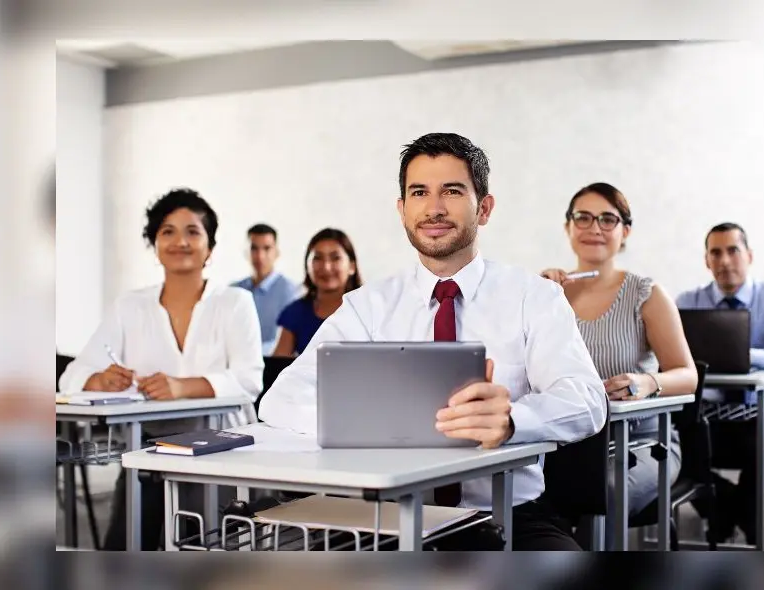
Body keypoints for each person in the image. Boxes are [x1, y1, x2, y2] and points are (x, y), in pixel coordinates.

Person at [258, 132, 607, 551]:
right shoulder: (366, 306)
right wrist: (361, 423)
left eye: (453, 191)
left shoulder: (535, 297)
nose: (434, 208)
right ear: (403, 209)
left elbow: (587, 398)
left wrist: (513, 420)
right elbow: (280, 399)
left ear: (485, 208)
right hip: (385, 516)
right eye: (419, 192)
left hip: (508, 516)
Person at [58, 188, 264, 550]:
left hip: (225, 452)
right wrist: (99, 380)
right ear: (155, 245)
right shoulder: (130, 306)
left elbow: (250, 380)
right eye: (167, 231)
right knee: (123, 548)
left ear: (210, 248)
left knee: (206, 549)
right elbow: (71, 375)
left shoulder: (235, 302)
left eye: (192, 231)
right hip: (150, 450)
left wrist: (182, 386)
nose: (179, 241)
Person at [540, 182, 697, 540]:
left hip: (639, 443)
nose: (594, 228)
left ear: (624, 232)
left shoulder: (646, 293)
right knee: (515, 492)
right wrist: (535, 298)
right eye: (583, 217)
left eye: (608, 219)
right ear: (568, 227)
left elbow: (688, 375)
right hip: (567, 443)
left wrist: (648, 382)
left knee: (598, 490)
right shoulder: (548, 295)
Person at [675, 222, 764, 543]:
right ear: (706, 261)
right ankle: (741, 514)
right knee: (677, 457)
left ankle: (724, 519)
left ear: (749, 255)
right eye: (715, 252)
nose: (724, 260)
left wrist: (749, 355)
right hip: (709, 416)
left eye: (733, 250)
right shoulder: (687, 303)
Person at [272, 228, 362, 357]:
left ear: (352, 266)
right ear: (307, 266)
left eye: (335, 258)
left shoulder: (366, 310)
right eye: (317, 258)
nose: (326, 267)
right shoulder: (295, 312)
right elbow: (275, 368)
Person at [232, 224, 300, 355]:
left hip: (274, 366)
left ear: (277, 252)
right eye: (254, 248)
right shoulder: (234, 290)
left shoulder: (291, 292)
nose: (260, 256)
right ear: (246, 252)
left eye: (267, 248)